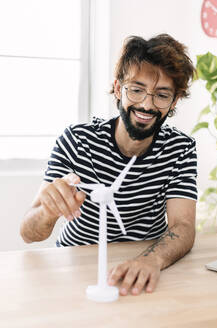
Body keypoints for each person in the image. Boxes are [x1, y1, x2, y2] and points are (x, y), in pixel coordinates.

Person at [20, 34, 197, 296]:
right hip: (76, 264)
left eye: (161, 95)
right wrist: (48, 209)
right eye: (136, 89)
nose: (146, 104)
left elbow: (183, 226)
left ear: (175, 101)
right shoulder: (77, 140)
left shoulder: (180, 148)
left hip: (143, 266)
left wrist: (152, 260)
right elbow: (29, 233)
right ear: (118, 88)